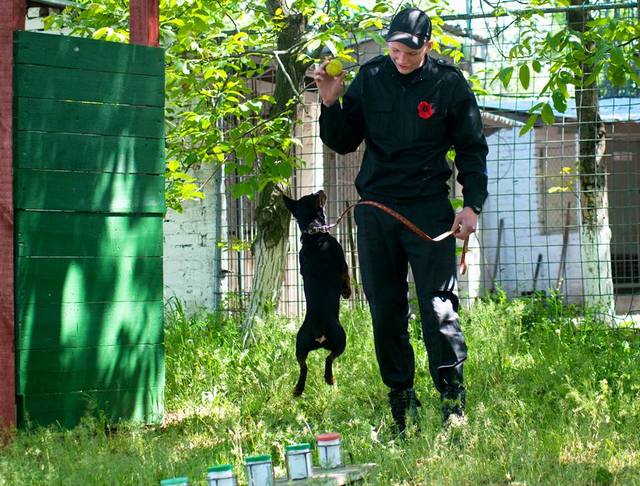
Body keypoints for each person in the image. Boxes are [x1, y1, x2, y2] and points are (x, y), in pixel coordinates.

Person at [314, 7, 488, 433]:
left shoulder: (449, 84)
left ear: (427, 46)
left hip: (429, 209)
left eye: (410, 51)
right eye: (394, 49)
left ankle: (452, 403)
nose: (401, 58)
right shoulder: (371, 78)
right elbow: (341, 140)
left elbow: (471, 147)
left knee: (439, 306)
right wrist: (330, 101)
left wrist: (472, 205)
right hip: (377, 210)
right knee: (385, 308)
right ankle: (401, 403)